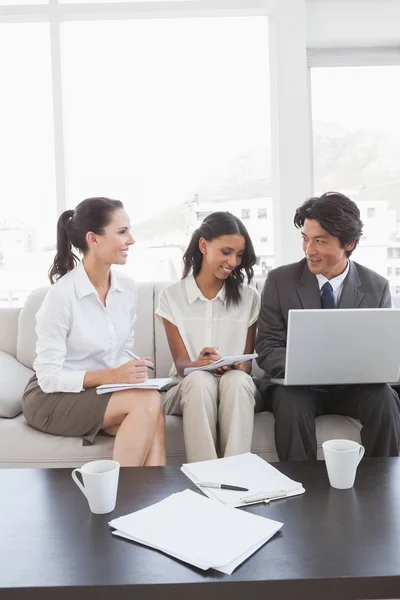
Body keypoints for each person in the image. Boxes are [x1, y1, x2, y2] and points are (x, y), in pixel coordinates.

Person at [256, 191, 400, 461]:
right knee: (291, 401)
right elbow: (267, 346)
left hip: (350, 388)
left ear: (349, 243)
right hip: (297, 387)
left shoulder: (376, 286)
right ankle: (302, 491)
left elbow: (381, 351)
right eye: (305, 238)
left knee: (384, 398)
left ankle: (381, 486)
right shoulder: (279, 281)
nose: (309, 250)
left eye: (320, 241)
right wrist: (306, 368)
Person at [22, 197, 166, 467]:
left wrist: (131, 367)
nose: (131, 239)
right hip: (51, 397)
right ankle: (121, 499)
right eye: (122, 232)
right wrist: (113, 375)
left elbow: (121, 347)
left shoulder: (126, 288)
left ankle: (152, 501)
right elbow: (49, 378)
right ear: (93, 239)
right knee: (147, 404)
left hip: (97, 391)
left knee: (153, 405)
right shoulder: (61, 296)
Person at [156, 211, 261, 463]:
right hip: (187, 387)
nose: (234, 262)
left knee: (236, 381)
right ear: (204, 245)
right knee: (200, 381)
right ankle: (205, 476)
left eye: (238, 255)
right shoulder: (171, 297)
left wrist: (238, 364)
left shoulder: (249, 297)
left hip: (234, 383)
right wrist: (199, 364)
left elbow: (247, 365)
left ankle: (237, 474)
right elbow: (181, 365)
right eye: (226, 252)